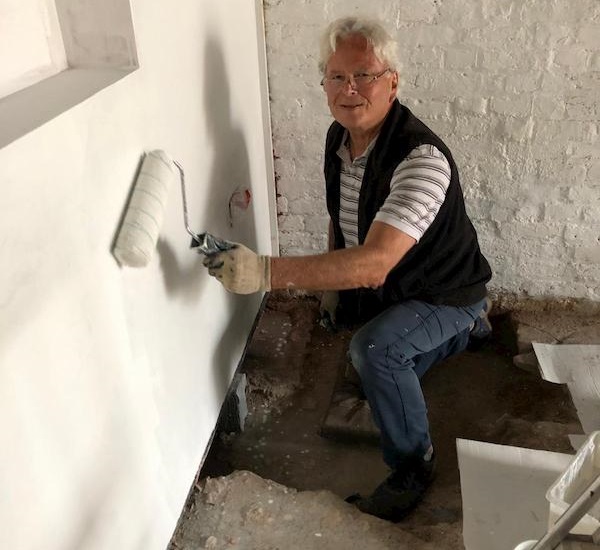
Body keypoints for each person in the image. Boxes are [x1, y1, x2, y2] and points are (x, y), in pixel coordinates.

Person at [201, 15, 492, 522]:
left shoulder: (421, 159)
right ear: (324, 85)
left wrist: (266, 274)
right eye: (336, 77)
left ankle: (413, 466)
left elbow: (376, 263)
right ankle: (459, 335)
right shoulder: (340, 139)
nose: (349, 89)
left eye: (365, 75)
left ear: (393, 82)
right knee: (372, 352)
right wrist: (332, 293)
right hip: (402, 287)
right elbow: (343, 220)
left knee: (375, 351)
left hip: (443, 291)